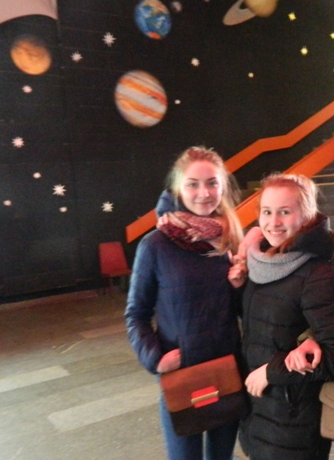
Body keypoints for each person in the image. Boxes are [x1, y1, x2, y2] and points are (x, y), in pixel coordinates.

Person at [125, 146, 244, 460]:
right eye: (193, 184)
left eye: (212, 183)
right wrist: (155, 358)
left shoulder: (231, 238)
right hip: (181, 372)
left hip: (226, 369)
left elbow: (243, 310)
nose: (204, 193)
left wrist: (240, 286)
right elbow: (136, 314)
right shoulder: (155, 244)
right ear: (178, 188)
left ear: (223, 187)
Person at [230, 173, 334, 460]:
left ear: (307, 215)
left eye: (284, 212)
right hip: (259, 412)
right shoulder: (261, 263)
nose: (273, 222)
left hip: (294, 420)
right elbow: (263, 325)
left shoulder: (316, 274)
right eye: (267, 212)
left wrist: (270, 372)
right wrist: (237, 286)